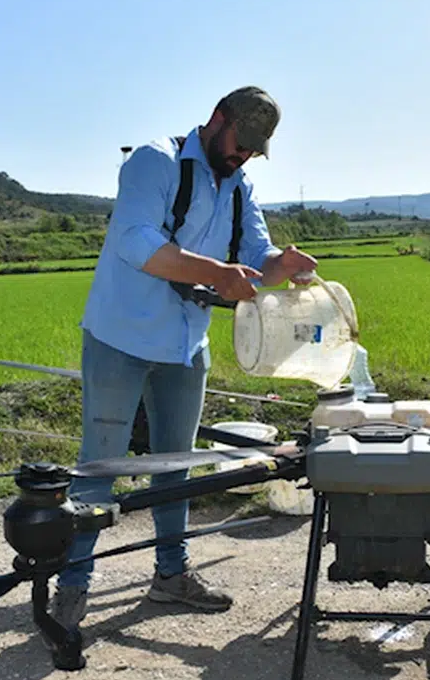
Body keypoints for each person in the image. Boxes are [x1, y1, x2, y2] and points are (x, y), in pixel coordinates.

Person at [50, 85, 318, 636]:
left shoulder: (240, 187)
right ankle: (71, 587)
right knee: (100, 465)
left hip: (183, 345)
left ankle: (170, 575)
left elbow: (254, 259)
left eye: (252, 149)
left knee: (176, 464)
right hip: (120, 336)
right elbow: (136, 240)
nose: (242, 155)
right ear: (217, 119)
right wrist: (215, 274)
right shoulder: (157, 161)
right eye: (238, 142)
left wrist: (280, 264)